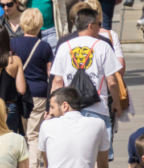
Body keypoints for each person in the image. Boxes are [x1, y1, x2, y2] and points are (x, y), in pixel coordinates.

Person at [50, 8, 123, 157]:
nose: (100, 28)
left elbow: (57, 82)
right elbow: (112, 82)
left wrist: (53, 108)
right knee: (100, 157)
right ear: (90, 26)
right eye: (98, 24)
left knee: (74, 155)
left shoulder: (64, 47)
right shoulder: (103, 46)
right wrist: (116, 103)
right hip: (98, 108)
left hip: (69, 110)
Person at [10, 8, 54, 168]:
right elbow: (50, 73)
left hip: (18, 93)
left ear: (22, 24)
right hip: (39, 92)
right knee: (34, 133)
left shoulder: (13, 44)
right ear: (39, 25)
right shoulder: (45, 46)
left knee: (20, 133)